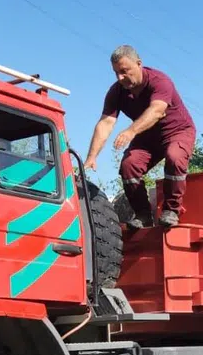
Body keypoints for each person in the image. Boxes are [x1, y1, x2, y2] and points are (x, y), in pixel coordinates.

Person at [84, 45, 196, 229]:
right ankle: (143, 215)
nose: (120, 78)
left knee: (175, 157)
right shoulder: (117, 92)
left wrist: (131, 131)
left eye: (124, 71)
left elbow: (157, 111)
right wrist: (92, 157)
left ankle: (171, 210)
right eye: (116, 73)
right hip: (147, 137)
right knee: (129, 165)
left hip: (177, 131)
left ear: (139, 64)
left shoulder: (159, 81)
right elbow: (105, 123)